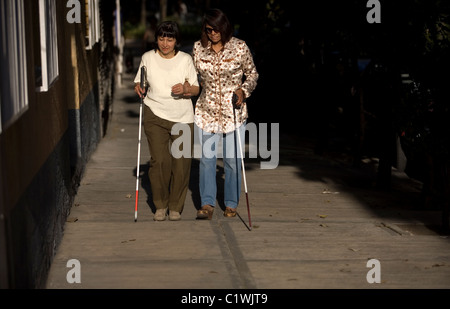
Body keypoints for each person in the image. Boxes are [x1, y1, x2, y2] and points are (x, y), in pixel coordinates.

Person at [192, 8, 258, 219]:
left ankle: (230, 202)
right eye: (209, 30)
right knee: (207, 160)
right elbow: (192, 77)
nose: (213, 33)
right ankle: (207, 203)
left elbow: (253, 74)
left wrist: (243, 91)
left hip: (234, 113)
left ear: (225, 27)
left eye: (217, 29)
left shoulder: (240, 47)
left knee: (231, 160)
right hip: (206, 111)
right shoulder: (198, 49)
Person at [134, 21, 199, 221]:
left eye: (169, 39)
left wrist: (186, 89)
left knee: (181, 165)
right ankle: (160, 204)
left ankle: (175, 206)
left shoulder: (186, 60)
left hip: (182, 117)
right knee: (159, 161)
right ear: (156, 39)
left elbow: (196, 88)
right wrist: (139, 87)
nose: (165, 43)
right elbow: (140, 81)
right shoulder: (148, 58)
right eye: (161, 38)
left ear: (176, 41)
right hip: (155, 114)